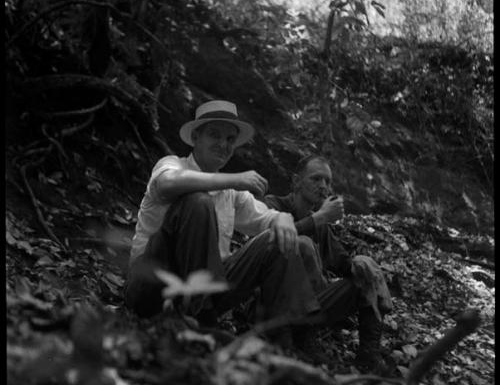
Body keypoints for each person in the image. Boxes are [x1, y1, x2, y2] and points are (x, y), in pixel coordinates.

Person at [124, 100, 388, 371]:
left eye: (230, 139)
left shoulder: (232, 195)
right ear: (195, 137)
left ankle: (281, 343)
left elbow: (265, 217)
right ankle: (201, 320)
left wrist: (283, 219)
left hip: (207, 299)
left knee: (277, 237)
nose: (223, 145)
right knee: (197, 202)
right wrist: (236, 179)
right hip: (151, 288)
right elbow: (167, 184)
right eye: (214, 135)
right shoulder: (172, 164)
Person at [264, 154, 393, 370]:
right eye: (316, 179)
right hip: (273, 308)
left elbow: (343, 264)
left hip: (312, 310)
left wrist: (362, 266)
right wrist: (320, 218)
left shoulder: (321, 225)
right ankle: (295, 340)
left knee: (365, 266)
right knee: (302, 243)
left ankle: (369, 354)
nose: (323, 186)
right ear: (296, 181)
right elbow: (268, 241)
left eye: (328, 181)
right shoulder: (273, 204)